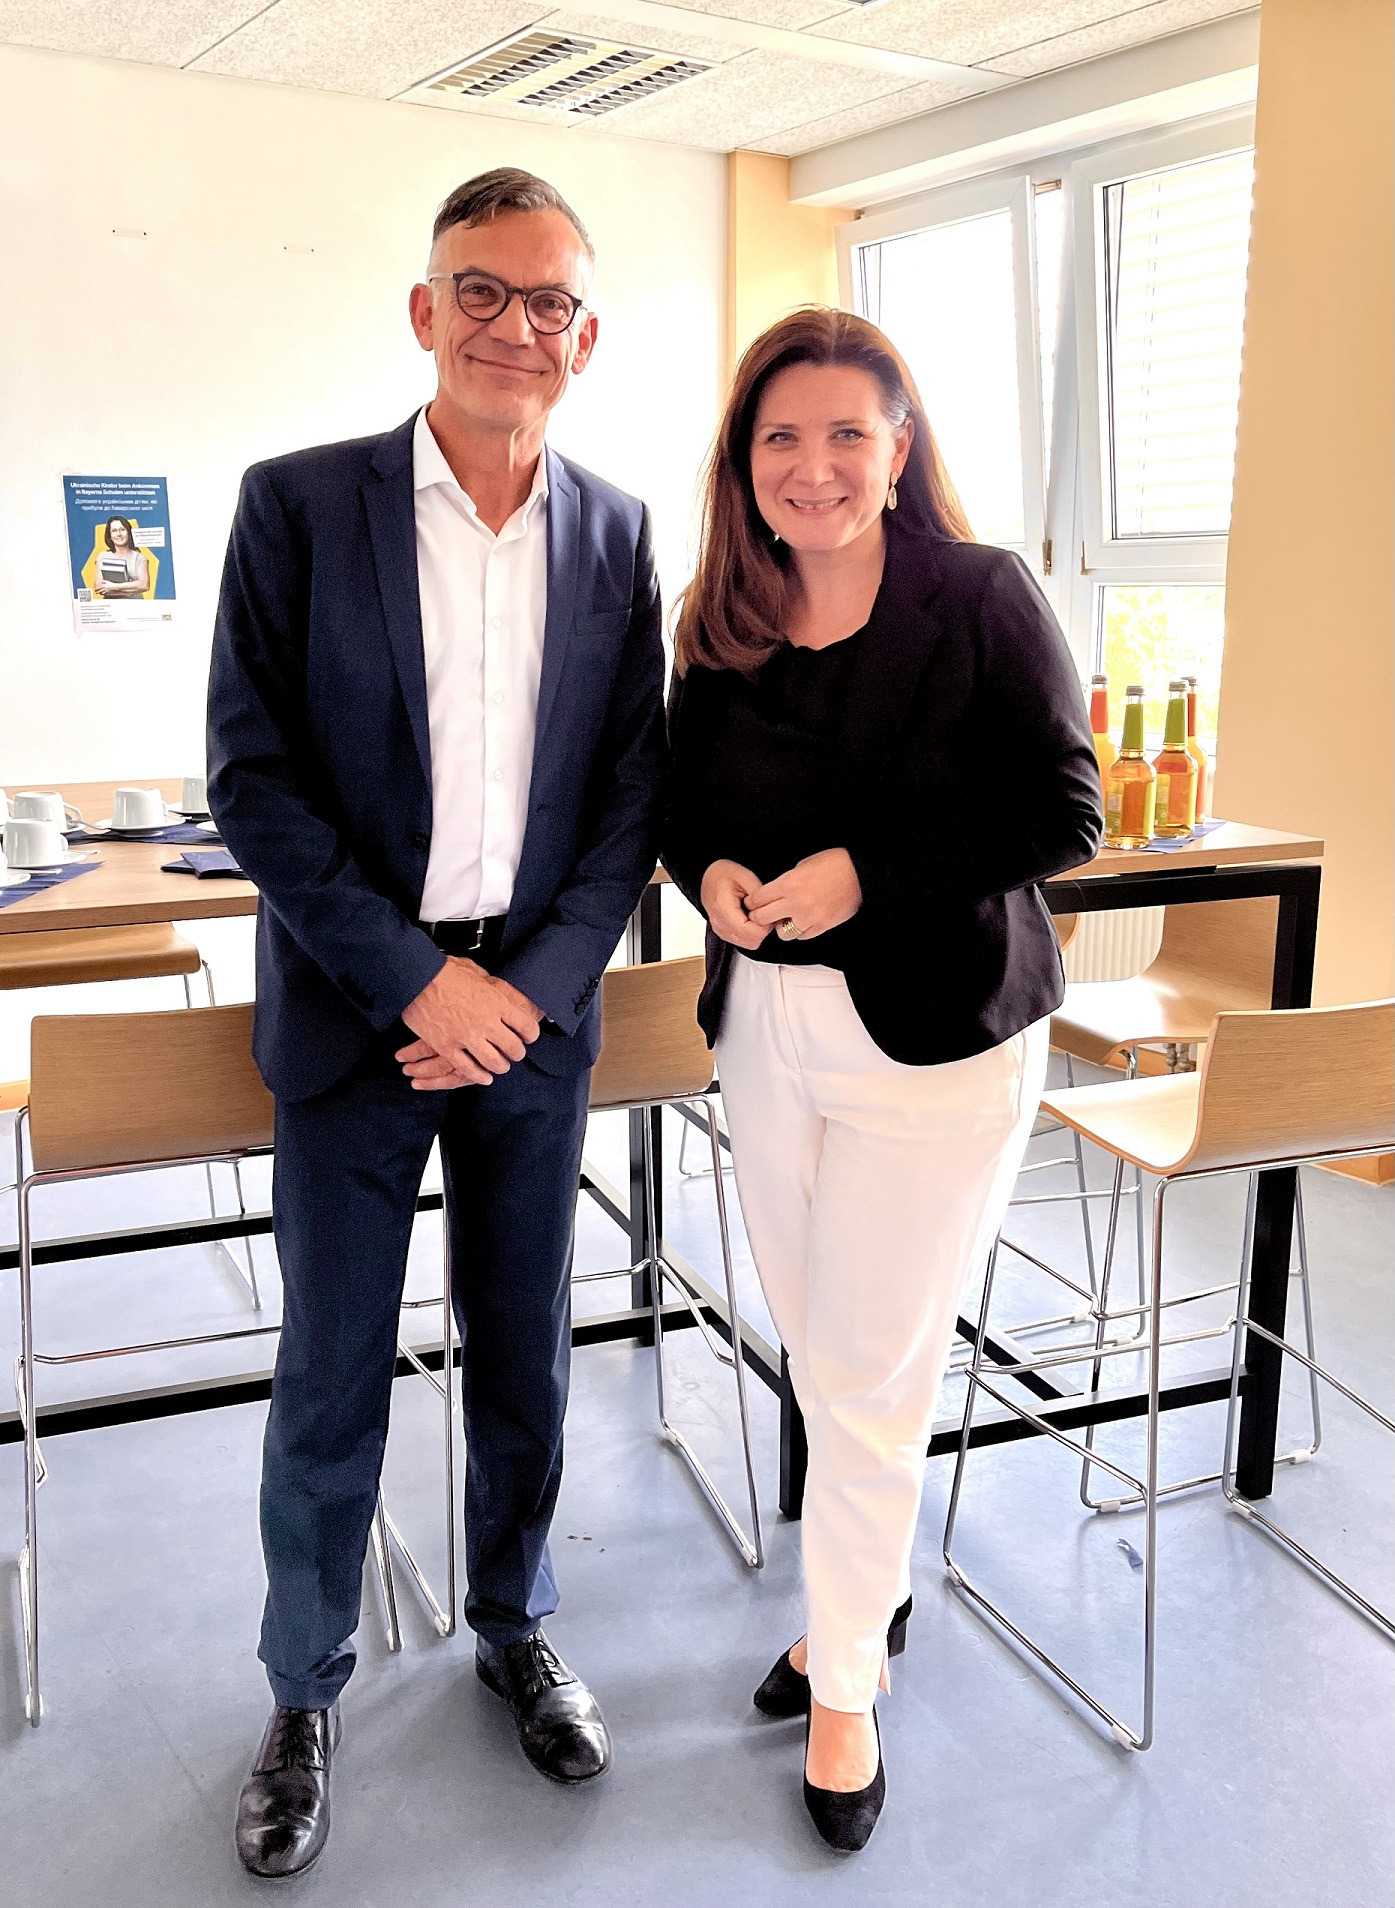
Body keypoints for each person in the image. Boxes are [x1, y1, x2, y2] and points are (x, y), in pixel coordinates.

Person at [208, 168, 666, 1880]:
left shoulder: (618, 533)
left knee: (526, 1350)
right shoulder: (296, 507)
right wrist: (418, 980)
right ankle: (302, 1685)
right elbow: (251, 780)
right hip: (360, 1016)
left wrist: (521, 993)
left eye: (548, 301)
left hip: (532, 1020)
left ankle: (516, 1623)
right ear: (424, 310)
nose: (512, 325)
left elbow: (628, 804)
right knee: (332, 1372)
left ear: (584, 338)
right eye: (481, 288)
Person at [664, 307, 1101, 1851]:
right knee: (824, 1350)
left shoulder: (976, 596)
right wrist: (705, 873)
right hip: (763, 1033)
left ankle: (843, 1678)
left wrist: (868, 875)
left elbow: (1065, 811)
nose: (813, 466)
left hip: (935, 1038)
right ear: (744, 462)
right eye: (779, 437)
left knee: (864, 1369)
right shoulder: (720, 615)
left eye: (846, 433)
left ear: (898, 451)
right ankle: (866, 1588)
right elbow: (674, 805)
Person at [93, 515, 149, 597]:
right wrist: (132, 590)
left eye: (122, 529)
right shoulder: (102, 556)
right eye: (114, 531)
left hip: (136, 604)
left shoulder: (139, 557)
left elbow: (144, 585)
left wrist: (113, 587)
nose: (119, 534)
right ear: (109, 536)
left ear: (129, 533)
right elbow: (99, 587)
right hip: (109, 604)